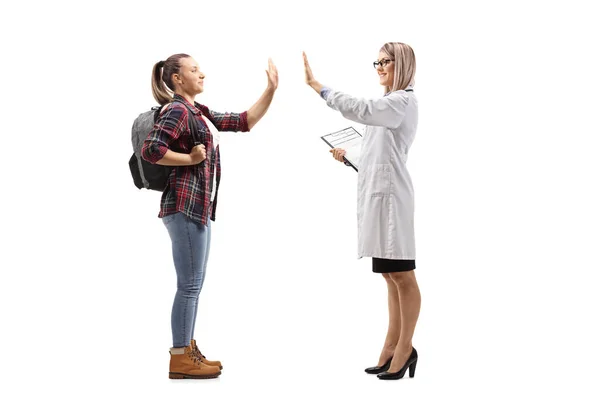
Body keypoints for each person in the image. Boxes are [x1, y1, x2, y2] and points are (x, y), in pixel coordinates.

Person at [142, 53, 278, 379]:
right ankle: (180, 358)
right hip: (184, 208)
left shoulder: (197, 112)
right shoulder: (177, 109)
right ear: (177, 78)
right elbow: (152, 148)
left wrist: (271, 89)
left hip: (197, 209)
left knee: (193, 285)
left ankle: (187, 349)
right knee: (188, 286)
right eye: (194, 69)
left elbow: (243, 121)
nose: (201, 73)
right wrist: (189, 159)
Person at [303, 43, 421, 380]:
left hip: (392, 200)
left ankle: (405, 348)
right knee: (389, 275)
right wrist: (352, 156)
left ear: (404, 65)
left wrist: (319, 87)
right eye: (378, 62)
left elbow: (363, 108)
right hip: (379, 197)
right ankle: (391, 346)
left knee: (403, 275)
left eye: (387, 61)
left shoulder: (401, 101)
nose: (380, 67)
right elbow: (380, 154)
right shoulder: (388, 105)